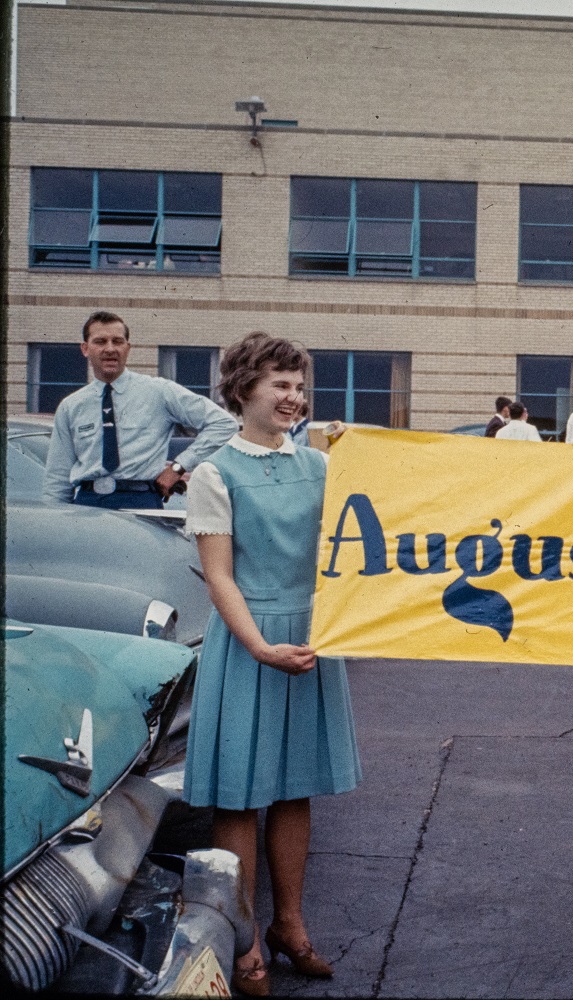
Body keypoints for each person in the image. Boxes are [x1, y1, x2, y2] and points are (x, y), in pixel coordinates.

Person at [182, 332, 362, 996]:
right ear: (242, 389)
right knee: (240, 794)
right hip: (250, 640)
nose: (294, 397)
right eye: (279, 385)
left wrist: (360, 460)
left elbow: (371, 532)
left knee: (293, 787)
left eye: (299, 385)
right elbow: (219, 579)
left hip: (309, 635)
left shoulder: (320, 465)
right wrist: (259, 645)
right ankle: (246, 939)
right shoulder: (214, 473)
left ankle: (292, 924)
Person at [43, 310, 237, 509]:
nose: (110, 349)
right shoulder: (71, 406)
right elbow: (57, 477)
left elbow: (223, 424)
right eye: (100, 342)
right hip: (87, 504)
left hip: (140, 501)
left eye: (117, 341)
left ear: (128, 348)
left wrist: (178, 467)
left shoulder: (159, 392)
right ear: (85, 349)